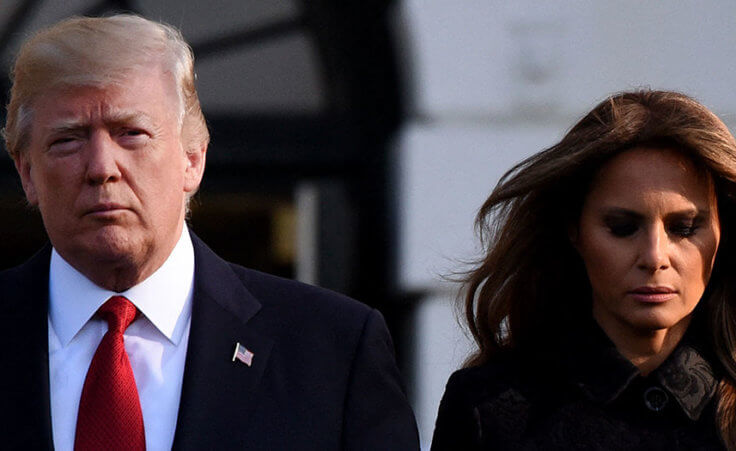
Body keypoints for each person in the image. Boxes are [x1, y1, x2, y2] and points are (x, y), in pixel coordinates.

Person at [1, 14, 419, 450]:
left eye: (132, 133)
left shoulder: (333, 348)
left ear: (192, 160)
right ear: (27, 173)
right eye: (68, 140)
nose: (102, 168)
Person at [431, 90, 736, 450]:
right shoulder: (490, 408)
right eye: (623, 227)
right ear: (574, 230)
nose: (655, 257)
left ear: (723, 230)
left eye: (683, 228)